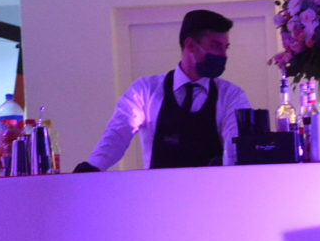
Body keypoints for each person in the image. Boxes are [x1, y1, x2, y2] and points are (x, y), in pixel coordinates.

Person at [74, 9, 250, 171]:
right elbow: (118, 133)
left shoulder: (231, 96)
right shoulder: (145, 91)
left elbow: (237, 142)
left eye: (225, 47)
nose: (223, 55)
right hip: (157, 192)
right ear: (190, 45)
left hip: (213, 191)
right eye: (216, 46)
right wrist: (93, 167)